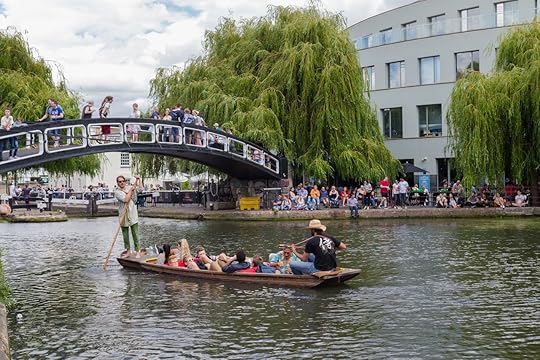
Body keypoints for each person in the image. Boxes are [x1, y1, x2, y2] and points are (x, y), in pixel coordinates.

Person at [114, 175, 141, 256]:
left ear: (125, 181)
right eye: (120, 181)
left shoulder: (130, 187)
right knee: (125, 236)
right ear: (118, 183)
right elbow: (126, 199)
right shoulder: (117, 192)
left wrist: (139, 180)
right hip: (123, 215)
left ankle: (138, 251)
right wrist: (131, 190)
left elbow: (141, 189)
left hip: (132, 213)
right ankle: (128, 251)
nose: (122, 182)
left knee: (135, 234)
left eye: (123, 181)